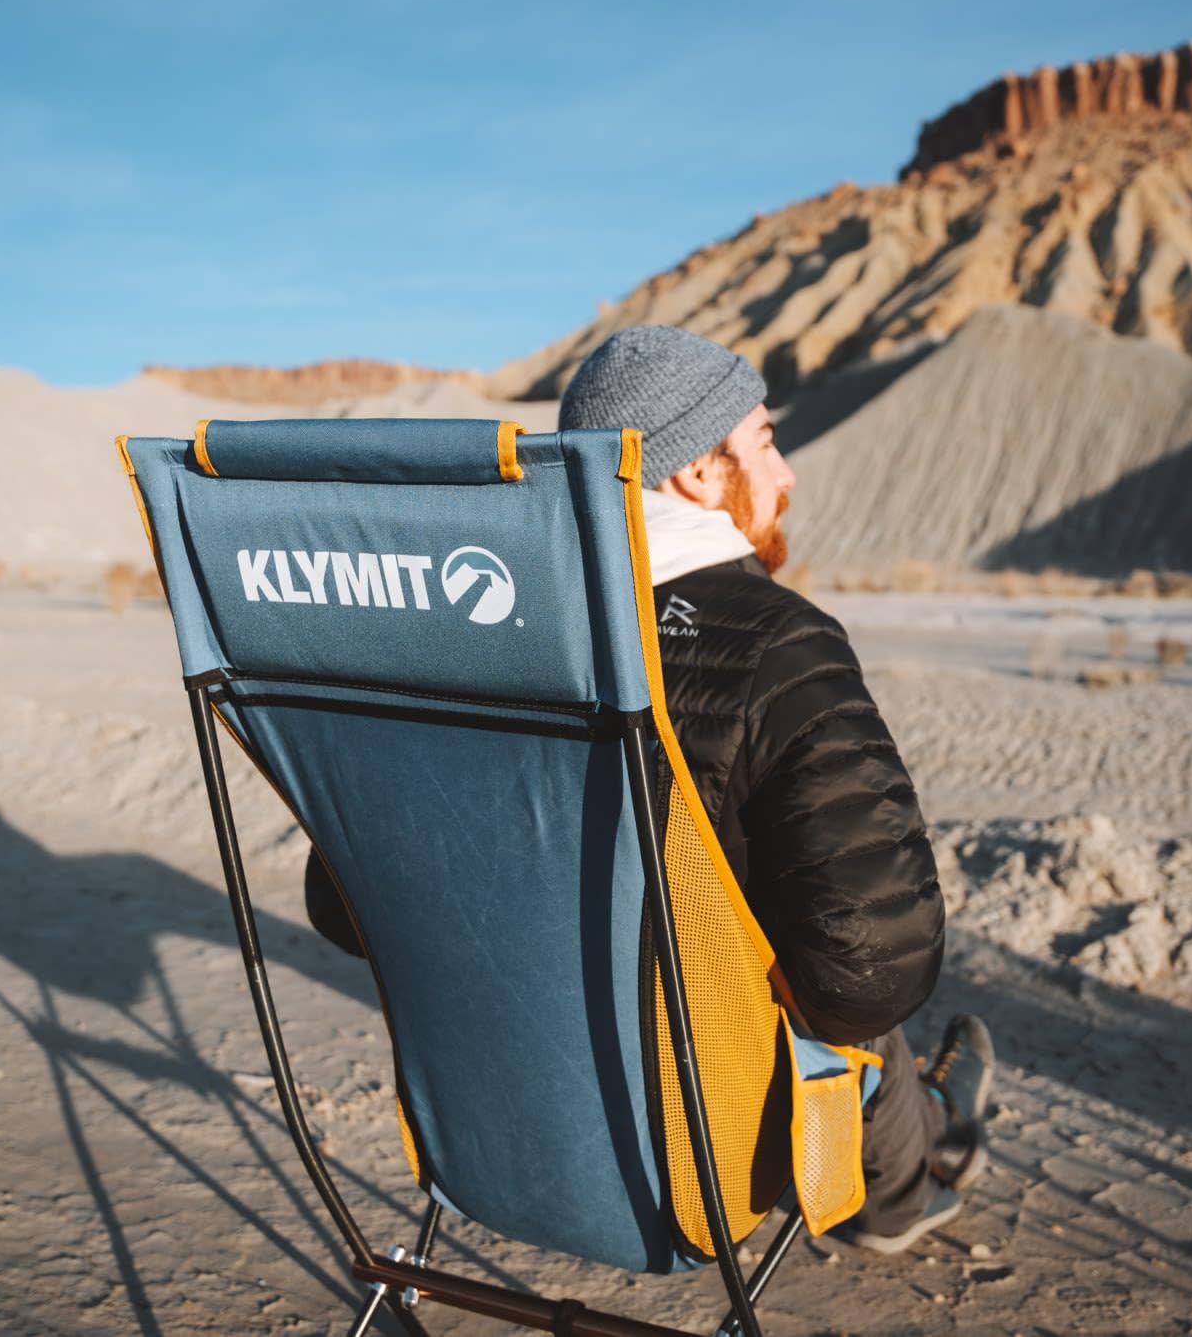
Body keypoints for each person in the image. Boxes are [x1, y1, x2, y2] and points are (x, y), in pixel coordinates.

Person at [305, 324, 993, 1253]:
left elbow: (343, 905)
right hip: (695, 1143)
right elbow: (872, 977)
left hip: (496, 1117)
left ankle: (926, 1143)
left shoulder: (475, 633)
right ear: (698, 475)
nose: (786, 475)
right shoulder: (778, 647)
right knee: (833, 977)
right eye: (765, 441)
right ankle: (899, 1184)